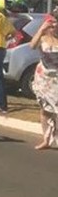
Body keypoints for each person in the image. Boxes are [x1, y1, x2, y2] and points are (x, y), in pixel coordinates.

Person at [30, 11, 58, 150]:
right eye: (50, 25)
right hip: (44, 79)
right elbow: (32, 45)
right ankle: (46, 140)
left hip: (57, 80)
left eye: (55, 25)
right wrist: (41, 30)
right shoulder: (42, 38)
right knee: (44, 110)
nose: (53, 27)